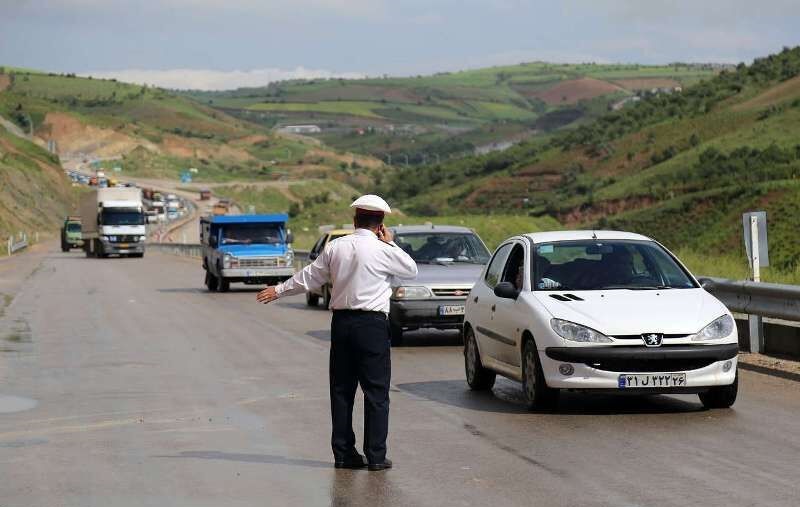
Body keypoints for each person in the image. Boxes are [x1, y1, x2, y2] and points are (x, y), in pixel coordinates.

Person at [256, 194, 417, 471]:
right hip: (372, 326)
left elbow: (310, 277)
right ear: (381, 224)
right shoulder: (384, 249)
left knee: (342, 391)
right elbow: (411, 270)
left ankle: (344, 454)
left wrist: (279, 290)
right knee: (376, 392)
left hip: (342, 325)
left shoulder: (336, 247)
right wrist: (389, 241)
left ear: (355, 220)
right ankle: (376, 456)